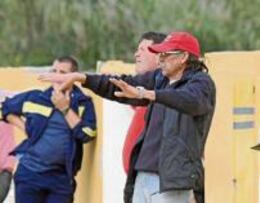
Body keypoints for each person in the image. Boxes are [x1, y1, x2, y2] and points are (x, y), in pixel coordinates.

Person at [39, 31, 216, 203]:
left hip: (172, 182)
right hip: (142, 176)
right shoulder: (159, 79)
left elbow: (192, 101)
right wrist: (82, 78)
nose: (159, 59)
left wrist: (147, 94)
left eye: (165, 54)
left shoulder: (201, 83)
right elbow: (120, 84)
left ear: (183, 57)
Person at [1, 56, 97, 203]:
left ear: (73, 77)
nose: (56, 76)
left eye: (62, 72)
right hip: (29, 174)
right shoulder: (36, 97)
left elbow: (88, 134)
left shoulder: (83, 103)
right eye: (54, 71)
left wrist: (65, 108)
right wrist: (25, 127)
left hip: (61, 179)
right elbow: (4, 109)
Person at [122, 31, 166, 174]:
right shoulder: (144, 96)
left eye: (142, 49)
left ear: (159, 55)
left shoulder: (166, 94)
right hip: (140, 181)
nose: (136, 54)